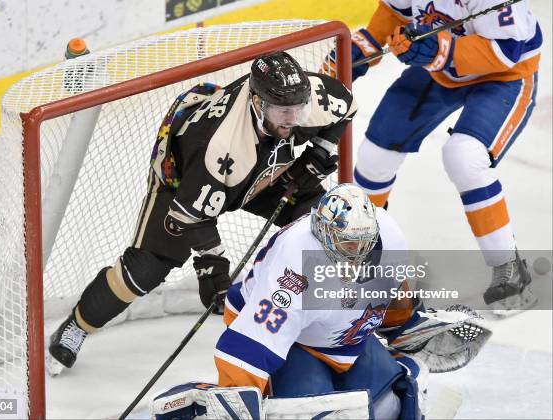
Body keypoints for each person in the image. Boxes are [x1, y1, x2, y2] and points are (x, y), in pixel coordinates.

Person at [47, 51, 357, 371]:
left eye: (299, 109)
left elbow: (347, 106)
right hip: (184, 180)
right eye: (283, 111)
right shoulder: (218, 144)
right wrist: (212, 264)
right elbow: (193, 215)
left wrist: (320, 151)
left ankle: (347, 319)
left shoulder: (307, 100)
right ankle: (78, 325)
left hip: (263, 169)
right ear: (256, 101)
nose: (293, 119)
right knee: (146, 269)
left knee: (329, 226)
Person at [150, 184, 490, 419]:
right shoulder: (296, 266)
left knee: (395, 400)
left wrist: (406, 325)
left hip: (342, 337)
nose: (356, 253)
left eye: (362, 243)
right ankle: (201, 398)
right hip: (291, 340)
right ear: (323, 234)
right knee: (317, 413)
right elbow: (252, 343)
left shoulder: (390, 235)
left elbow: (388, 291)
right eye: (346, 244)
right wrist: (235, 401)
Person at [323, 0, 541, 310]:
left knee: (464, 156)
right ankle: (364, 250)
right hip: (439, 71)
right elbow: (393, 13)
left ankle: (508, 266)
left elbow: (507, 50)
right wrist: (363, 46)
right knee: (375, 154)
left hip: (504, 76)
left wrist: (444, 50)